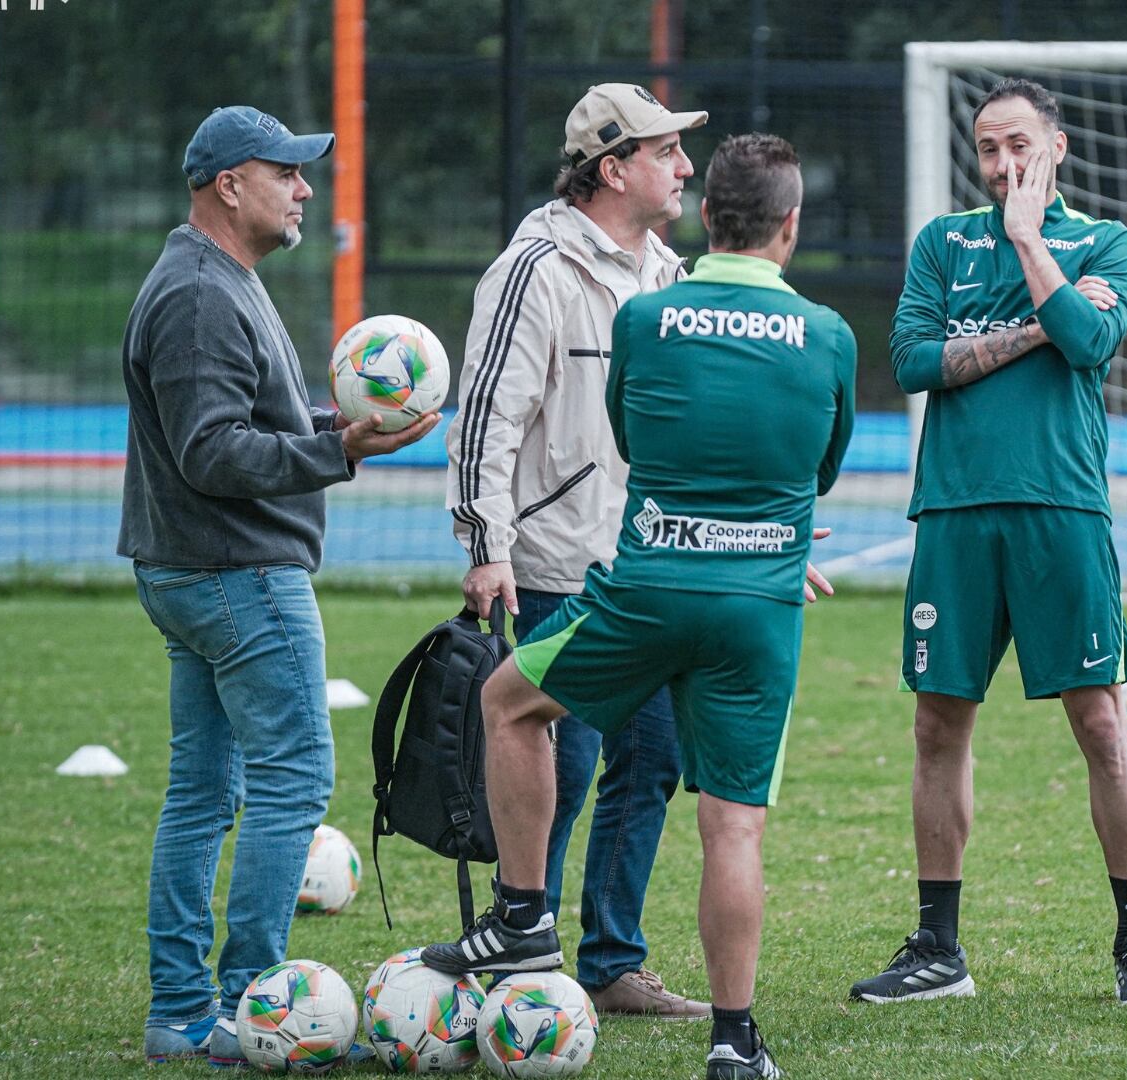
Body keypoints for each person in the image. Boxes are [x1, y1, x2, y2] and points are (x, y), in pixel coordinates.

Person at [423, 133, 855, 1080]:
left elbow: (630, 437)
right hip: (760, 603)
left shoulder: (648, 317)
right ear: (791, 226)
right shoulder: (828, 336)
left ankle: (522, 917)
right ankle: (736, 1043)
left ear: (709, 220)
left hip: (645, 588)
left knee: (508, 702)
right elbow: (816, 470)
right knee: (732, 826)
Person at [122, 106, 437, 1064]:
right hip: (234, 574)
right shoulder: (198, 295)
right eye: (287, 172)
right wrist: (338, 447)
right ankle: (242, 1004)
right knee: (295, 779)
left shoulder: (221, 279)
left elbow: (248, 417)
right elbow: (212, 452)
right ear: (229, 184)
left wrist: (334, 428)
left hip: (204, 570)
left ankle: (183, 1013)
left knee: (204, 793)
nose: (305, 189)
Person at [848, 77, 1127, 1008]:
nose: (1003, 165)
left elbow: (1090, 341)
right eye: (989, 149)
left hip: (1061, 509)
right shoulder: (942, 244)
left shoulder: (1104, 242)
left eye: (1019, 146)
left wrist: (1031, 244)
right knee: (936, 724)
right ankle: (939, 951)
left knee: (1102, 724)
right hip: (952, 511)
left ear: (1056, 147)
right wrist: (1035, 326)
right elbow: (912, 362)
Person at [446, 83, 711, 1016]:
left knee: (654, 762)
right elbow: (488, 415)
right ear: (613, 168)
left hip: (650, 569)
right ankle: (528, 961)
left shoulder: (670, 276)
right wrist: (486, 543)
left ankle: (609, 963)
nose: (685, 167)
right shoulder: (536, 267)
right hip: (559, 568)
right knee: (556, 764)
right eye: (666, 151)